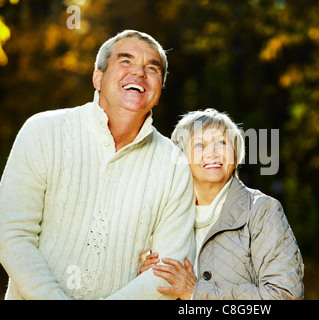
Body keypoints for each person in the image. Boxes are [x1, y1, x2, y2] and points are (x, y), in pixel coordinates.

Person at [0, 30, 196, 300]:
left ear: (159, 92)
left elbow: (167, 271)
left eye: (152, 68)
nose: (139, 73)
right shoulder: (43, 131)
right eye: (125, 61)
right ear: (98, 77)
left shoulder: (174, 164)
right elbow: (11, 235)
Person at [140, 108, 304, 299]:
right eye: (200, 145)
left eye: (222, 143)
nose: (213, 153)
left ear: (235, 157)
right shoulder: (163, 217)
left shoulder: (262, 211)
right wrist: (148, 281)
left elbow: (285, 294)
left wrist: (196, 292)